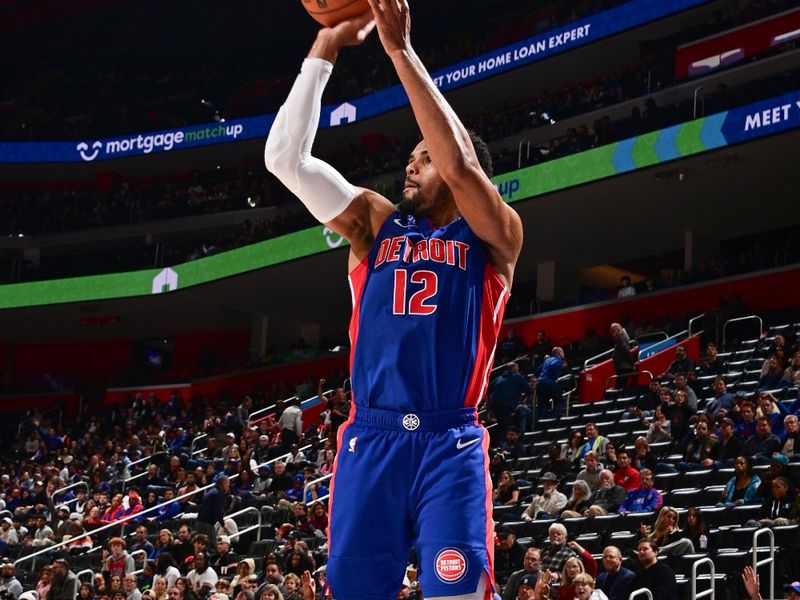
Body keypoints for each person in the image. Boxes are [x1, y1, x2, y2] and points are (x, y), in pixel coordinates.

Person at [263, 3, 523, 599]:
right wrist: (325, 47)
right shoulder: (375, 224)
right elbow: (285, 161)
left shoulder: (496, 234)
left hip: (448, 443)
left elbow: (457, 164)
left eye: (422, 156)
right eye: (412, 154)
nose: (412, 161)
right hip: (370, 438)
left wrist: (399, 50)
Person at [535, 348, 566, 420]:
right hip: (549, 382)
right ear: (559, 353)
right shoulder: (558, 359)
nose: (563, 354)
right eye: (563, 352)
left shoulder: (547, 360)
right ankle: (551, 417)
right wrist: (555, 375)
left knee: (542, 405)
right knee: (560, 401)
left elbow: (537, 372)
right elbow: (553, 365)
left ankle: (539, 424)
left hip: (540, 384)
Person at [610, 323, 634, 389]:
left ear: (618, 330)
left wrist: (632, 364)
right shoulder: (619, 339)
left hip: (623, 367)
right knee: (620, 385)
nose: (612, 334)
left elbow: (627, 351)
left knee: (622, 386)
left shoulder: (622, 338)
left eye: (612, 331)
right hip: (621, 367)